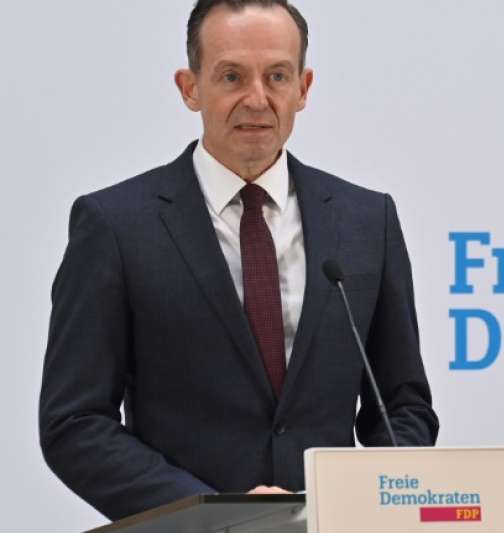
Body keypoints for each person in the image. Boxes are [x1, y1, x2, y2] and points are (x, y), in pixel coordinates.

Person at [38, 0, 438, 521]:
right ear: (189, 87)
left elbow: (403, 405)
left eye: (277, 76)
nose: (257, 99)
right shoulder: (115, 226)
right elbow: (74, 422)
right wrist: (214, 514)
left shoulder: (367, 221)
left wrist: (369, 501)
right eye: (232, 77)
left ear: (303, 88)